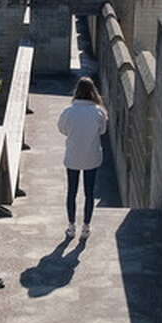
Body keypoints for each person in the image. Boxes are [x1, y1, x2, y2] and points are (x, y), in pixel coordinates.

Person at [57, 77, 109, 239]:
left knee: (71, 192)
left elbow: (62, 129)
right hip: (91, 156)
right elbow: (102, 131)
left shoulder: (68, 111)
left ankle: (71, 226)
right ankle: (86, 227)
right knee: (89, 193)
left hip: (73, 156)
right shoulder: (99, 112)